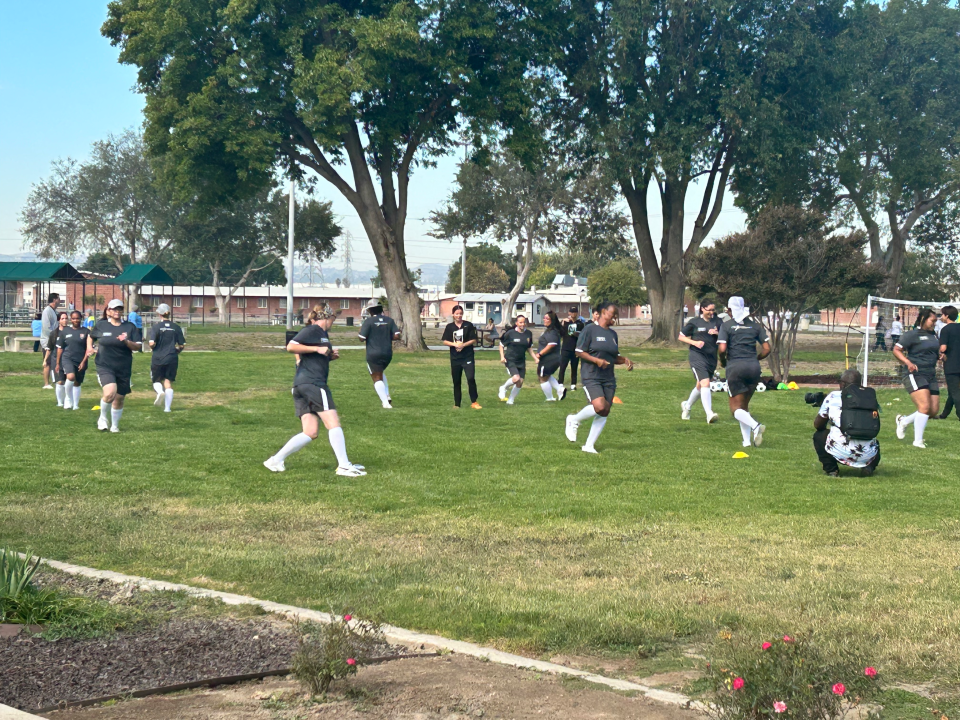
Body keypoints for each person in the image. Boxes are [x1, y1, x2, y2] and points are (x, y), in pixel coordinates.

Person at [264, 306, 366, 476]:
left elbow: (311, 357)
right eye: (334, 318)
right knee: (333, 423)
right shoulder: (313, 330)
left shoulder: (321, 334)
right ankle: (344, 466)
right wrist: (317, 349)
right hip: (313, 384)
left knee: (310, 432)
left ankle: (275, 460)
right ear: (327, 318)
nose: (334, 322)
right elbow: (291, 346)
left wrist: (328, 356)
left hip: (302, 385)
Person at [564, 302, 634, 453]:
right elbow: (579, 351)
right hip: (591, 375)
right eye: (612, 314)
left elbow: (613, 356)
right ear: (603, 312)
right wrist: (596, 361)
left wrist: (625, 360)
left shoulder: (613, 334)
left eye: (616, 315)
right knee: (600, 406)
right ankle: (574, 420)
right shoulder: (589, 329)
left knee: (605, 410)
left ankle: (589, 446)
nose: (615, 317)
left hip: (608, 377)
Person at [718, 296, 771, 448]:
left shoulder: (727, 326)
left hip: (735, 368)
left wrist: (722, 361)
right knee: (744, 407)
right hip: (753, 368)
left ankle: (756, 426)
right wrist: (756, 358)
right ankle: (746, 442)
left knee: (735, 409)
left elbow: (722, 349)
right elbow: (767, 349)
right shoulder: (755, 326)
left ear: (729, 310)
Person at [813, 369, 881, 477]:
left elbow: (818, 425)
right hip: (868, 453)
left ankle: (832, 470)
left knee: (819, 435)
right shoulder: (869, 398)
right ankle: (869, 467)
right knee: (874, 440)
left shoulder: (833, 396)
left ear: (843, 384)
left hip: (840, 451)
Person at [88, 299, 141, 432]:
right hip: (105, 365)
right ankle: (102, 418)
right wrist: (89, 348)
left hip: (123, 366)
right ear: (109, 311)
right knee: (110, 393)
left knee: (119, 398)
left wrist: (126, 341)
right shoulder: (102, 325)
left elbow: (138, 346)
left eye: (120, 309)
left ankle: (115, 426)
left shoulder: (130, 327)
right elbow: (91, 336)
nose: (117, 311)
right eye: (114, 309)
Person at [893, 308, 941, 448]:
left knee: (932, 411)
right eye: (932, 321)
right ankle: (917, 441)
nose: (934, 324)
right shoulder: (912, 334)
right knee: (924, 407)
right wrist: (907, 362)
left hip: (930, 374)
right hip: (915, 374)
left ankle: (904, 421)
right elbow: (896, 350)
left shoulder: (934, 335)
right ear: (923, 319)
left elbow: (932, 352)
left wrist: (940, 356)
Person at [678, 298, 722, 423]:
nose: (712, 312)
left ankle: (687, 406)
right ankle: (709, 414)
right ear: (702, 309)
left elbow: (726, 336)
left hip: (712, 358)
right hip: (697, 356)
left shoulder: (718, 321)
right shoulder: (694, 322)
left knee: (700, 385)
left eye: (713, 310)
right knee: (705, 383)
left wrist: (717, 333)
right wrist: (694, 342)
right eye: (709, 310)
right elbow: (681, 336)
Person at [357, 299, 401, 409]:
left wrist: (360, 331)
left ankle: (385, 402)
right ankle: (387, 394)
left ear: (370, 311)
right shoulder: (389, 320)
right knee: (380, 372)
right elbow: (397, 336)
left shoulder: (369, 322)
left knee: (376, 377)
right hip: (387, 353)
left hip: (373, 353)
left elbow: (361, 338)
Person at [441, 305, 481, 409]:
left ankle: (474, 402)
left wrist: (463, 345)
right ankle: (457, 404)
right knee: (456, 381)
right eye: (457, 313)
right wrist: (455, 345)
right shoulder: (449, 327)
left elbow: (473, 339)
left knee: (471, 378)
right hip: (455, 358)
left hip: (467, 356)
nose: (459, 315)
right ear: (453, 314)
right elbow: (445, 341)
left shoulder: (468, 325)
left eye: (460, 313)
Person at [149, 304, 186, 412]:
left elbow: (151, 343)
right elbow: (182, 345)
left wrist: (153, 347)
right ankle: (167, 408)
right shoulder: (176, 327)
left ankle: (160, 392)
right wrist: (178, 351)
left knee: (156, 380)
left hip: (158, 357)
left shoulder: (156, 327)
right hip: (172, 357)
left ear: (159, 314)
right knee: (168, 381)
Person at [56, 310, 90, 411]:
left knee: (77, 383)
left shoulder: (86, 332)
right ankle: (68, 398)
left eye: (78, 318)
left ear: (81, 319)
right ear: (71, 319)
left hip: (80, 359)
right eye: (74, 318)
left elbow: (88, 349)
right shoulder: (65, 331)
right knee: (70, 377)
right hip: (67, 358)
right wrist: (57, 362)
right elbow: (60, 348)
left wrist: (83, 361)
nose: (76, 320)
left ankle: (76, 404)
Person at [497, 314, 535, 405]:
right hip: (510, 359)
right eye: (520, 322)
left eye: (524, 322)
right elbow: (501, 345)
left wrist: (535, 358)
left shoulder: (528, 334)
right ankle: (503, 388)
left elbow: (529, 348)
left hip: (521, 360)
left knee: (520, 382)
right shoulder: (510, 333)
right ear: (517, 323)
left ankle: (511, 400)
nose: (522, 324)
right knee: (516, 378)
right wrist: (502, 357)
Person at [534, 311, 564, 401]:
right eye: (544, 317)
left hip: (549, 358)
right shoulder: (548, 330)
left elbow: (551, 344)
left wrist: (540, 354)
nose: (544, 320)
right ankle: (560, 389)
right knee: (545, 375)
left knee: (542, 378)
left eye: (547, 318)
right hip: (549, 358)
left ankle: (550, 398)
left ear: (552, 320)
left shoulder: (552, 331)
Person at [938, 305, 960, 421]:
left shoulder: (945, 329)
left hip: (952, 364)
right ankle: (944, 414)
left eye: (942, 314)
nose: (941, 316)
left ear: (946, 316)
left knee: (955, 392)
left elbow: (943, 348)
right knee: (952, 391)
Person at [558, 307, 585, 391]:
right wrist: (562, 323)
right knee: (563, 366)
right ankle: (560, 383)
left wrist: (577, 334)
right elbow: (560, 333)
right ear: (569, 313)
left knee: (574, 367)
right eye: (572, 312)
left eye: (575, 312)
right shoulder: (565, 322)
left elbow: (583, 335)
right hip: (566, 347)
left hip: (575, 348)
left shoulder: (580, 323)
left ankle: (573, 384)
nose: (573, 314)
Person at [48, 312, 68, 406]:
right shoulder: (54, 333)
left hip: (68, 359)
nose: (65, 320)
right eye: (63, 318)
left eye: (66, 318)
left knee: (69, 381)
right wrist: (45, 360)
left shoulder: (71, 331)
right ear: (59, 320)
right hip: (56, 359)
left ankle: (68, 400)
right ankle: (60, 402)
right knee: (59, 381)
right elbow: (50, 347)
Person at [40, 293, 60, 388]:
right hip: (48, 340)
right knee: (47, 362)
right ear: (55, 299)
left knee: (55, 362)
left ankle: (56, 381)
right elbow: (46, 327)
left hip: (55, 340)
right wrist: (52, 339)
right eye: (59, 298)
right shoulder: (47, 311)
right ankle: (46, 384)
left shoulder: (54, 311)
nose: (59, 300)